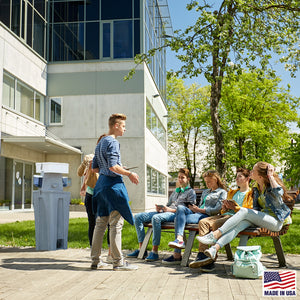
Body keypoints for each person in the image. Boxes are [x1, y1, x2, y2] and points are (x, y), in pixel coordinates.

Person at [198, 162, 292, 266]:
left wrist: (270, 175)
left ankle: (215, 234)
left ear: (260, 176)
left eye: (253, 170)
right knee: (238, 225)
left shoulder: (270, 186)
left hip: (276, 222)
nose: (251, 172)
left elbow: (279, 193)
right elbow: (256, 208)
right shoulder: (256, 188)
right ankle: (214, 249)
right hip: (262, 219)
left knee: (244, 211)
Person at [90, 113, 140, 271]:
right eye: (123, 126)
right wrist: (129, 173)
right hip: (112, 186)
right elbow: (112, 166)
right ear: (116, 126)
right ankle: (118, 262)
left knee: (100, 225)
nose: (125, 129)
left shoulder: (100, 143)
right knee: (116, 225)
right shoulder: (113, 142)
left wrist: (119, 167)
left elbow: (95, 168)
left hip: (101, 186)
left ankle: (95, 261)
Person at [189, 168, 253, 271]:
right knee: (203, 222)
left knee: (217, 224)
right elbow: (223, 211)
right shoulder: (233, 192)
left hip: (236, 218)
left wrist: (234, 207)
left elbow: (248, 210)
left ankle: (211, 259)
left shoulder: (251, 193)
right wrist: (225, 207)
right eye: (236, 176)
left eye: (240, 176)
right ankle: (202, 254)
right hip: (225, 215)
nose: (237, 178)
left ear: (247, 179)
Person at [127, 168, 196, 262]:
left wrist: (169, 210)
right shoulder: (176, 191)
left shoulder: (191, 192)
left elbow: (189, 210)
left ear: (188, 179)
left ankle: (154, 252)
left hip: (175, 215)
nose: (180, 180)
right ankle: (141, 249)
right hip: (165, 212)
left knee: (156, 218)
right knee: (138, 217)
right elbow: (168, 205)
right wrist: (161, 208)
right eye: (179, 177)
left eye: (182, 178)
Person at [163, 170, 227, 264]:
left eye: (209, 182)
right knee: (180, 208)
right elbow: (200, 205)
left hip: (207, 216)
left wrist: (200, 210)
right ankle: (179, 239)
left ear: (216, 180)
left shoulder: (222, 192)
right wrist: (193, 208)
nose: (207, 184)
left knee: (178, 219)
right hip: (197, 213)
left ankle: (177, 253)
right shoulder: (205, 192)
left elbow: (217, 209)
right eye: (206, 182)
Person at [77, 153, 98, 247]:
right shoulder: (90, 158)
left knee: (101, 223)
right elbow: (79, 173)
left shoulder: (105, 159)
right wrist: (86, 163)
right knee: (92, 223)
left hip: (99, 195)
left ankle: (100, 248)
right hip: (90, 195)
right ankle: (93, 248)